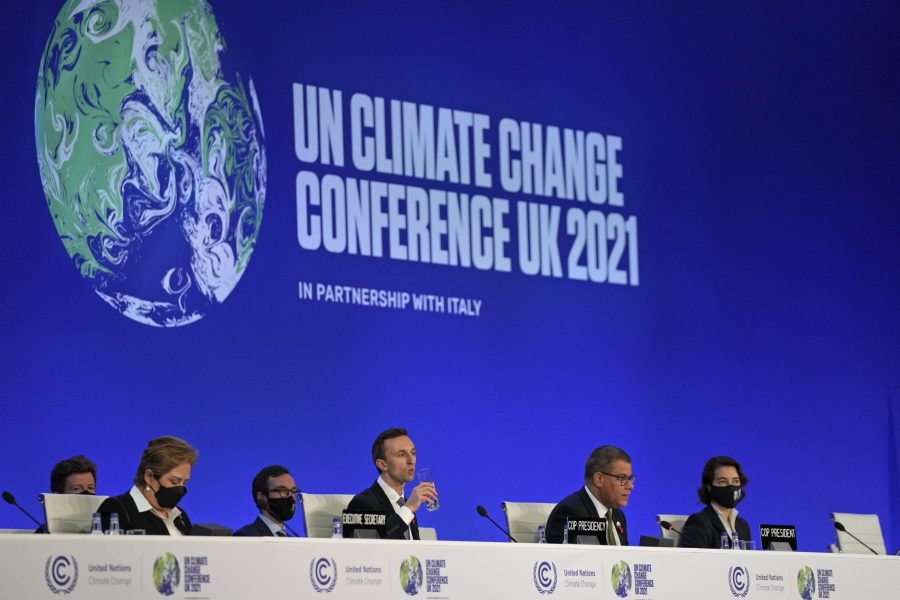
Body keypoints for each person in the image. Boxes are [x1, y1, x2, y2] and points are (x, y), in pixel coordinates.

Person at [345, 427, 437, 540]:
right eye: (401, 454)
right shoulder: (360, 504)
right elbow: (374, 543)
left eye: (413, 453)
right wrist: (408, 508)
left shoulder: (405, 504)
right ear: (383, 464)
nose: (411, 460)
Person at [97, 436, 197, 535]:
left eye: (185, 482)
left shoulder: (180, 515)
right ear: (149, 476)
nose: (180, 488)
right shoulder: (115, 509)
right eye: (174, 481)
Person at [546, 445, 634, 545]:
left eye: (630, 478)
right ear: (599, 479)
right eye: (622, 478)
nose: (630, 486)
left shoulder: (618, 515)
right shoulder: (570, 513)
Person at [678, 456, 751, 549]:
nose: (731, 486)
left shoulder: (743, 525)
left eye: (735, 481)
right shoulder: (699, 522)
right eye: (722, 482)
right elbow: (692, 558)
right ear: (709, 486)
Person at [233, 465, 300, 537]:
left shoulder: (293, 540)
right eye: (282, 490)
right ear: (261, 497)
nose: (290, 496)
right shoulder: (245, 536)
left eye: (293, 491)